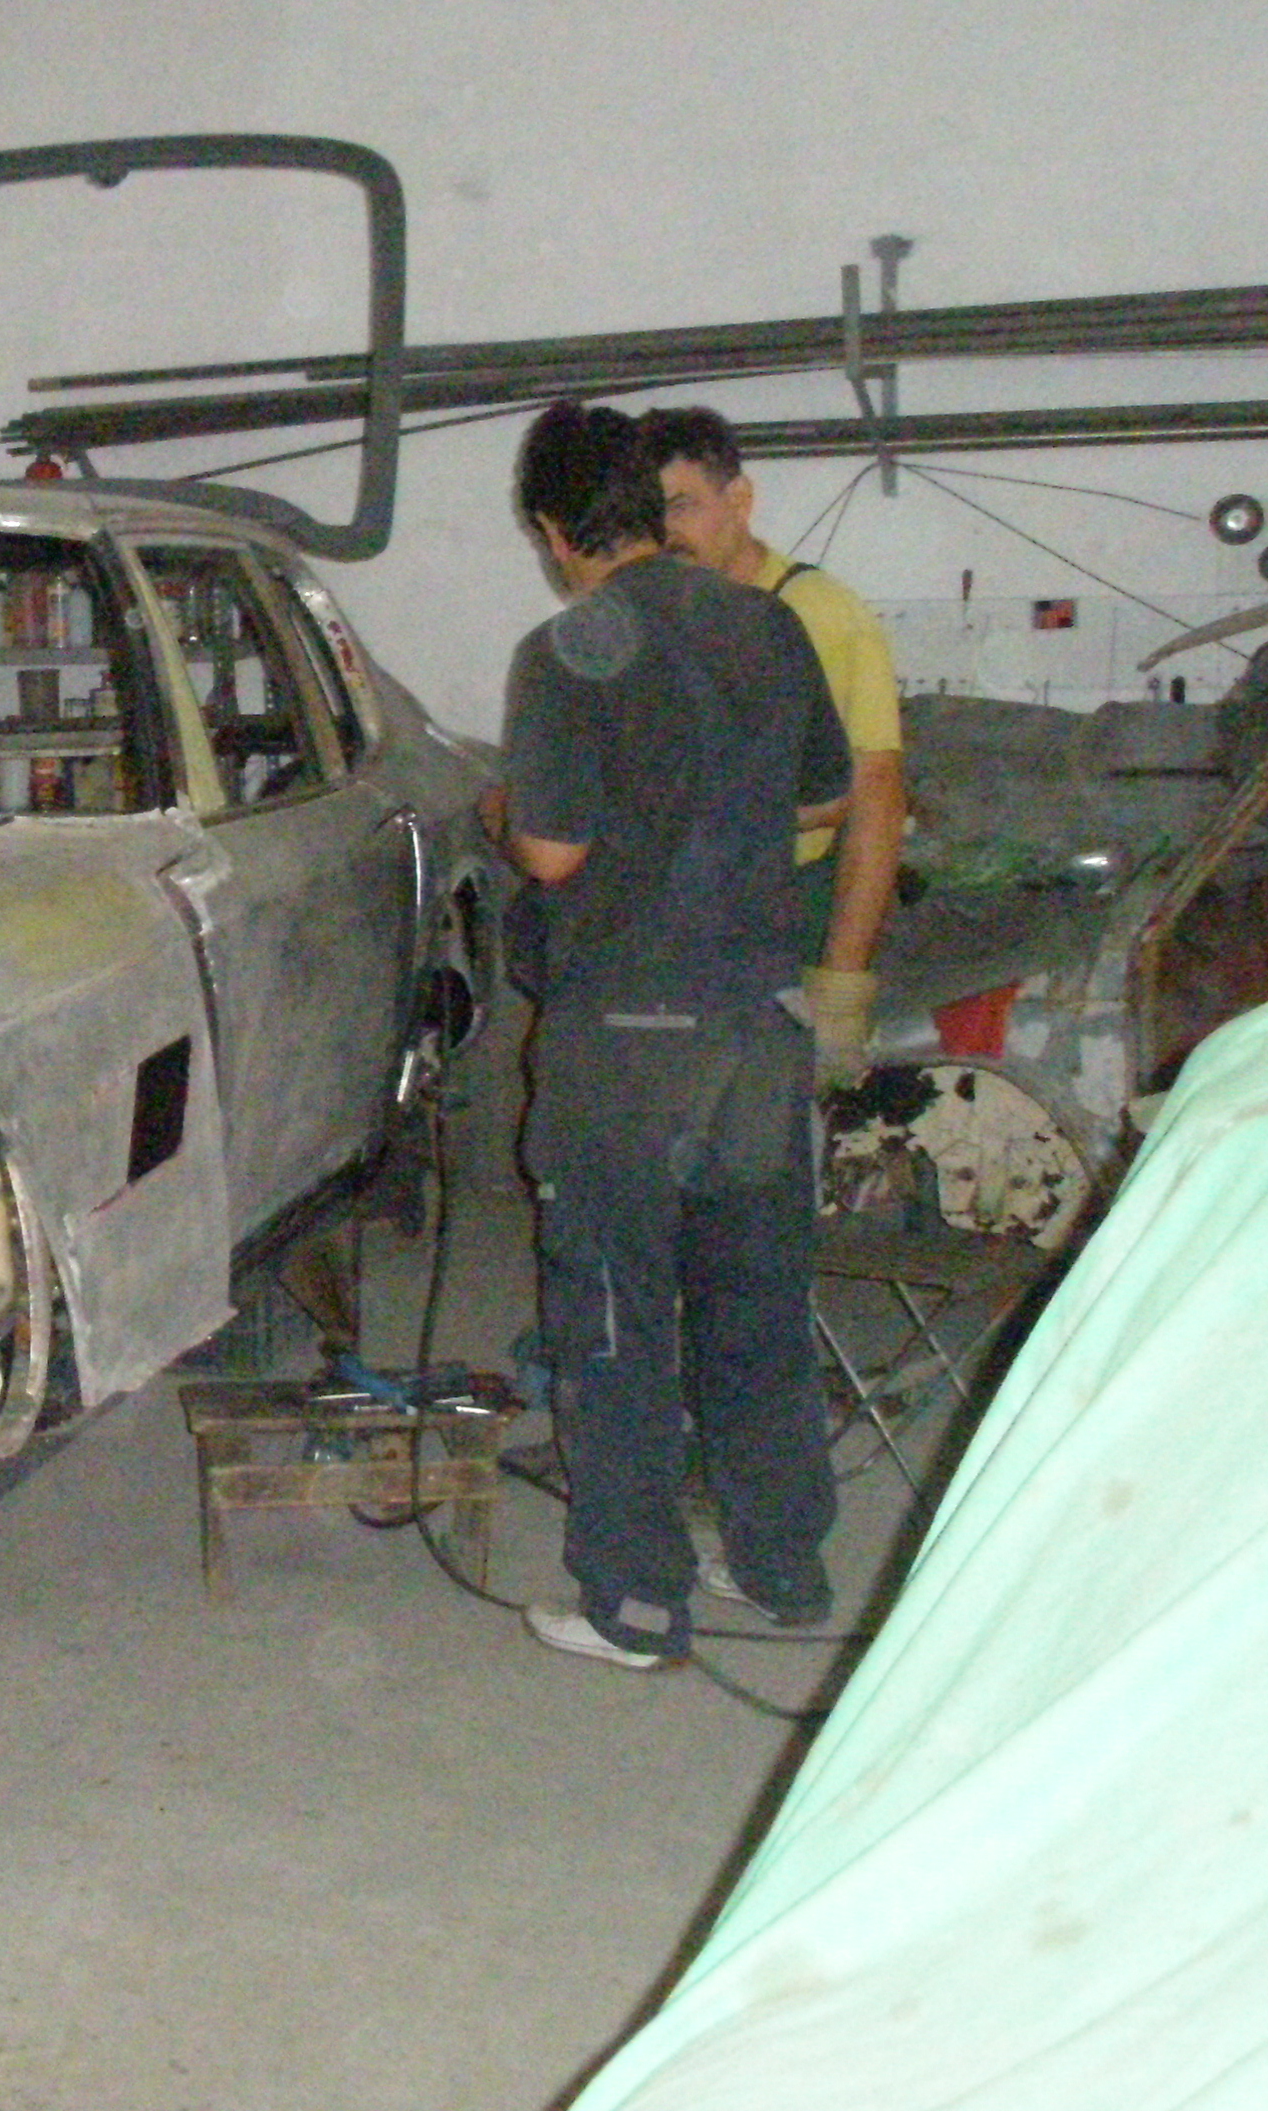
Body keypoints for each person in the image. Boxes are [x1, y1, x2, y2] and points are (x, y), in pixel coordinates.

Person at [496, 403, 852, 1667]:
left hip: (627, 1040)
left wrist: (507, 812)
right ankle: (781, 1565)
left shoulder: (568, 649)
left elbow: (552, 852)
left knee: (615, 1318)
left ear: (556, 532)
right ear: (654, 505)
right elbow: (826, 794)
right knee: (757, 1306)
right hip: (756, 1024)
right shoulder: (767, 624)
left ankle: (637, 1604)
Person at [639, 406, 905, 1087]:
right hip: (676, 927)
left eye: (683, 506)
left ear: (740, 499)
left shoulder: (820, 614)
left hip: (786, 920)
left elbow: (875, 796)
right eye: (650, 513)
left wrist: (841, 987)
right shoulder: (650, 617)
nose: (667, 532)